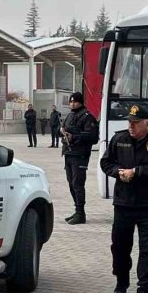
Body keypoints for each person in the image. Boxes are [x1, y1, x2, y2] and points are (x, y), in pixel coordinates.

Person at [100, 104, 148, 293]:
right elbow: (105, 163)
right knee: (120, 247)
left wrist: (137, 172)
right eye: (129, 122)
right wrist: (117, 172)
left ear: (147, 123)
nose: (131, 126)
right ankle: (121, 281)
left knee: (147, 249)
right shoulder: (119, 139)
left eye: (135, 123)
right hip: (123, 204)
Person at [62, 91, 99, 224]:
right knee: (71, 183)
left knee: (78, 184)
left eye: (75, 101)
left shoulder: (87, 116)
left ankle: (80, 213)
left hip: (80, 155)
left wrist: (74, 137)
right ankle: (77, 210)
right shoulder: (70, 115)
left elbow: (93, 137)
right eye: (71, 102)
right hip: (69, 153)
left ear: (80, 102)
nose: (72, 104)